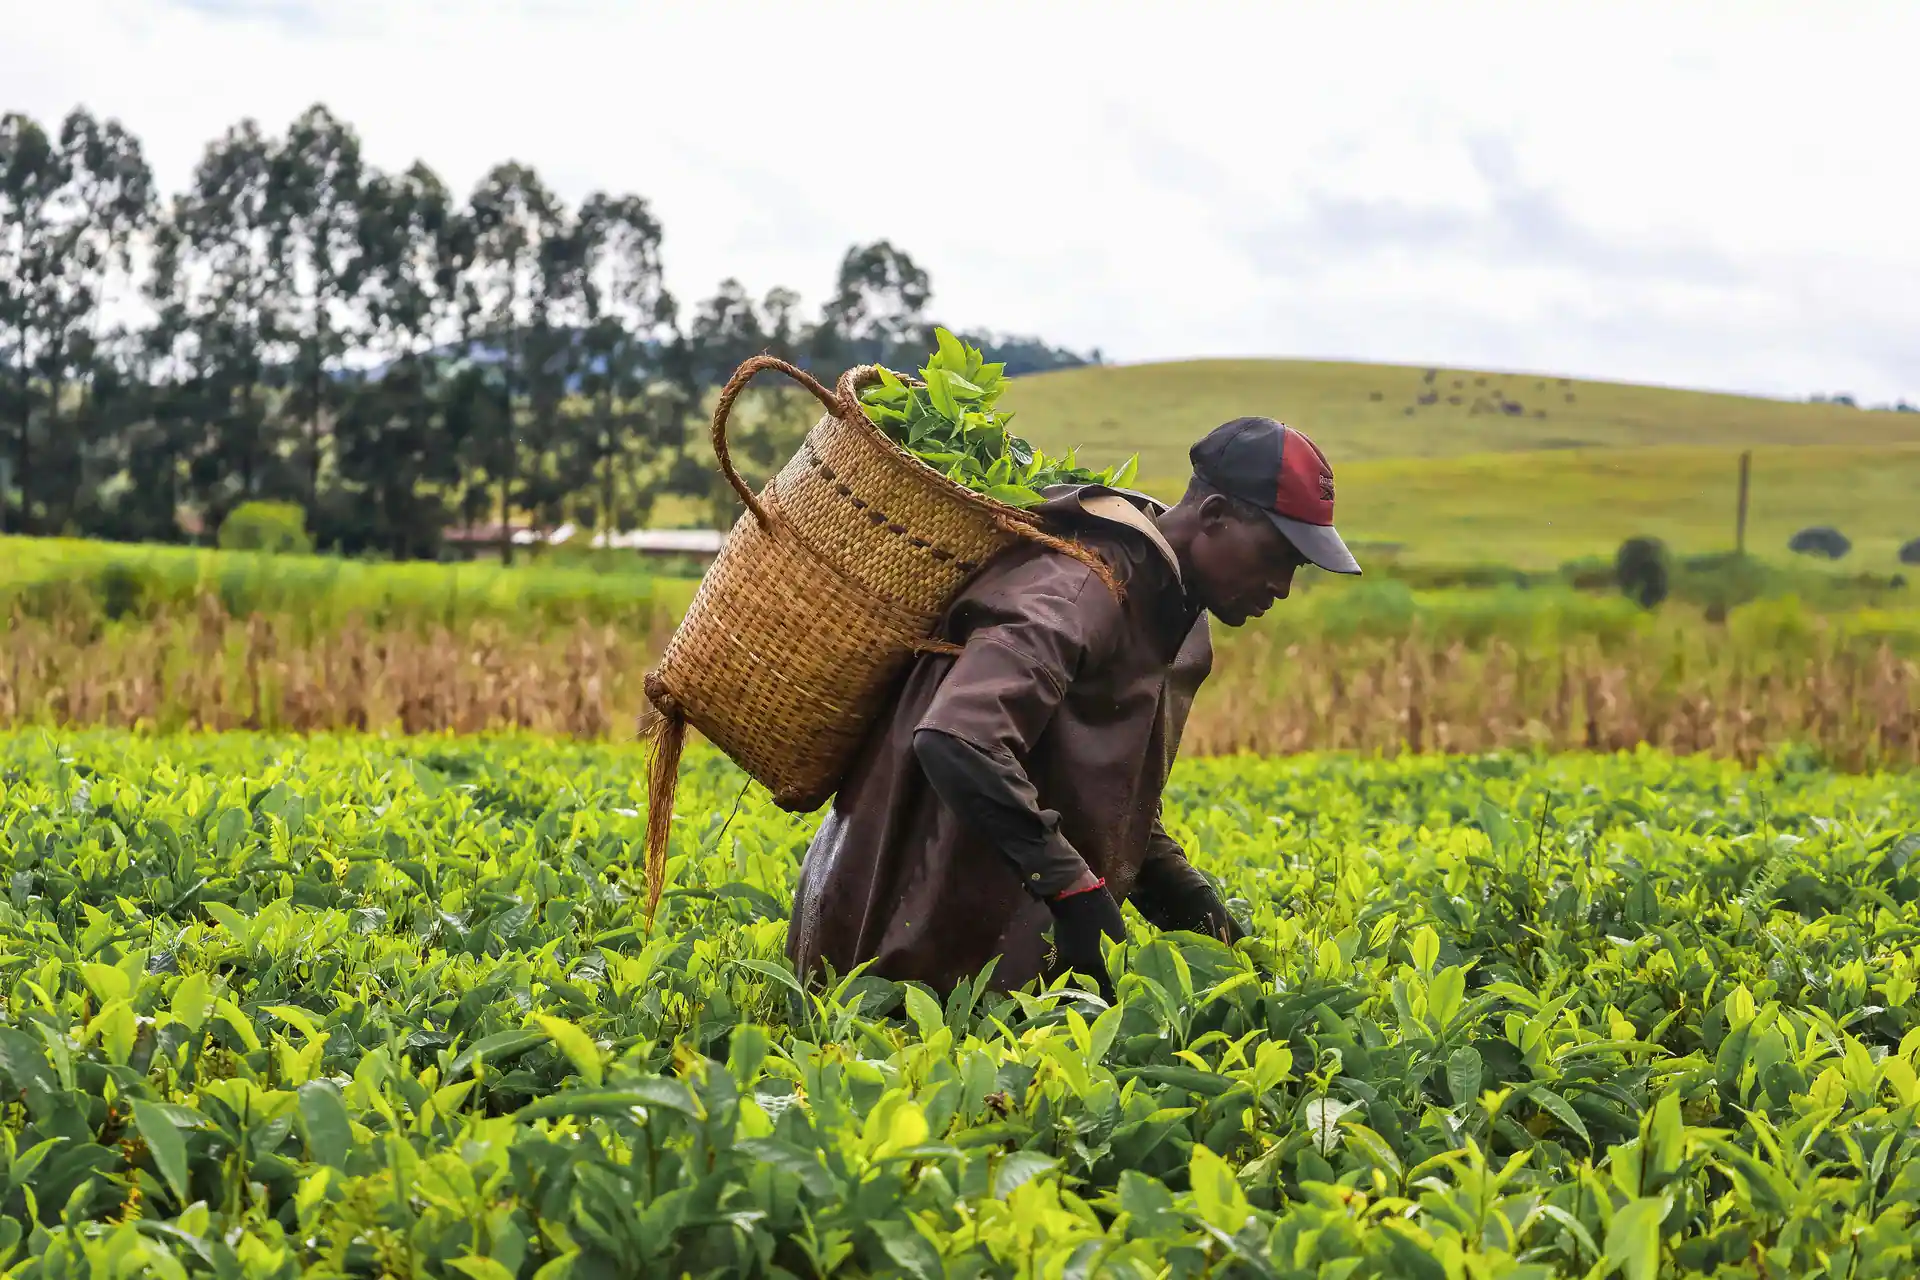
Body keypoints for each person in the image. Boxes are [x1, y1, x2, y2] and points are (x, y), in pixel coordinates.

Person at [786, 415, 1362, 1003]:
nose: (1283, 586)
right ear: (1214, 516)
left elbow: (1095, 793)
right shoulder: (1079, 587)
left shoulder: (1175, 619)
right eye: (1277, 555)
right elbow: (959, 738)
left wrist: (1196, 910)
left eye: (1298, 568)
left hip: (977, 964)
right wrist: (1071, 889)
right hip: (888, 962)